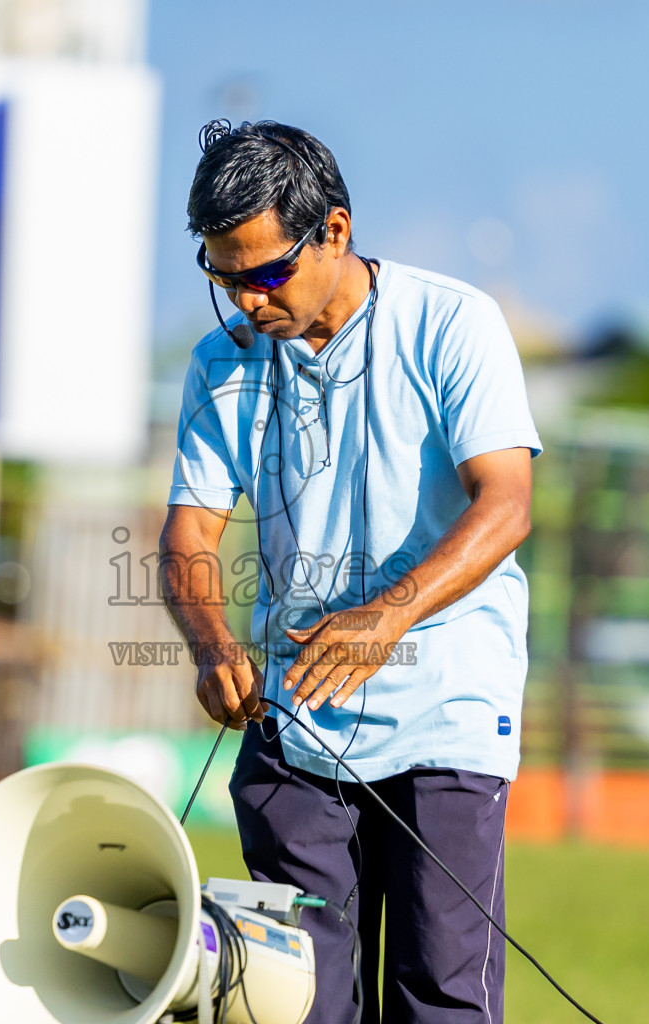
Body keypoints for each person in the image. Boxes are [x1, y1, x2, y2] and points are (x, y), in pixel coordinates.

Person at [160, 119, 541, 1024]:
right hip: (295, 726)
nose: (247, 301)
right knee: (290, 1007)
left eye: (265, 274)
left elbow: (507, 505)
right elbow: (187, 538)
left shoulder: (453, 323)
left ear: (333, 230)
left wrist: (386, 618)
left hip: (444, 705)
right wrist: (214, 649)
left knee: (439, 998)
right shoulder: (223, 363)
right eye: (225, 278)